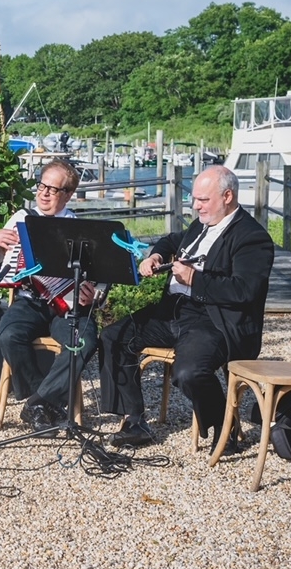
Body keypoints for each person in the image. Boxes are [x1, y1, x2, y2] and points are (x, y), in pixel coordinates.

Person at [98, 165, 274, 450]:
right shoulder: (201, 225)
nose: (196, 206)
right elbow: (171, 240)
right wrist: (156, 255)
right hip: (173, 312)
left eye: (203, 200)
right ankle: (134, 420)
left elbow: (245, 290)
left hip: (215, 320)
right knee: (113, 337)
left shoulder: (251, 237)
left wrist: (195, 279)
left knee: (189, 372)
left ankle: (224, 423)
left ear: (227, 196)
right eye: (195, 199)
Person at [0, 160, 99, 430]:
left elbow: (99, 279)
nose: (44, 193)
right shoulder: (21, 218)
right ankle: (41, 403)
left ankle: (37, 404)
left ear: (68, 195)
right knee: (7, 335)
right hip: (29, 300)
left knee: (84, 341)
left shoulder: (78, 229)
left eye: (53, 189)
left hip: (67, 307)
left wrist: (92, 295)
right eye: (41, 186)